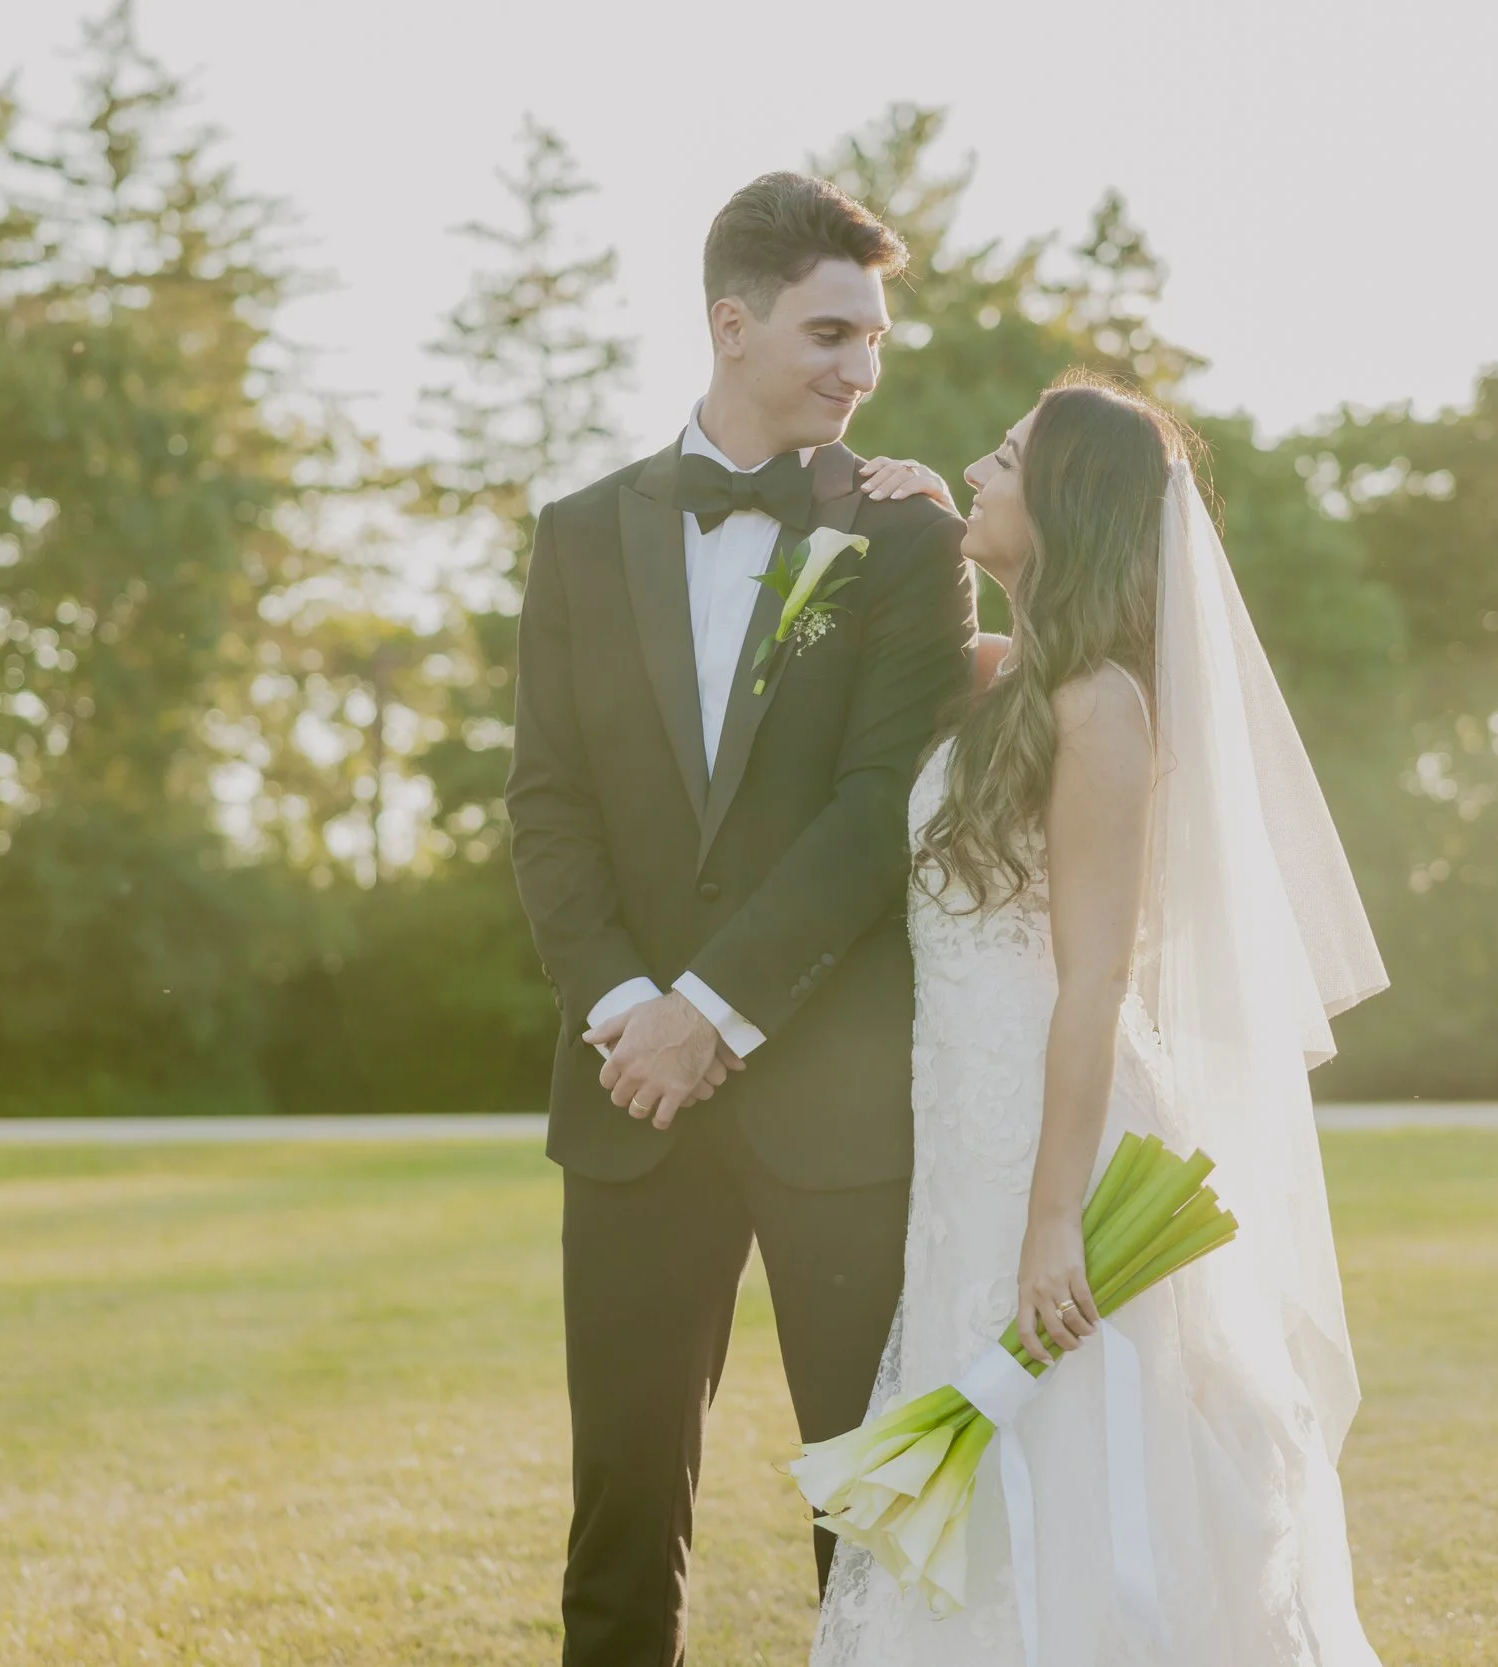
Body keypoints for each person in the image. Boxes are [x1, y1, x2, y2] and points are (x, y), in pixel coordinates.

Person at [815, 376, 1392, 1665]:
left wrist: (1055, 1215)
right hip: (968, 1133)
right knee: (996, 1436)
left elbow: (1093, 980)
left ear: (1065, 505)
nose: (975, 467)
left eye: (1005, 459)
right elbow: (871, 656)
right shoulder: (1013, 679)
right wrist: (897, 518)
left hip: (1052, 1130)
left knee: (1089, 1439)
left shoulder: (1104, 709)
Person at [504, 171, 975, 1667]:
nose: (861, 366)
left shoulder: (906, 539)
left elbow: (872, 809)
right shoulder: (578, 536)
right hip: (628, 1094)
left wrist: (705, 1010)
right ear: (732, 322)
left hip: (839, 1095)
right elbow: (548, 807)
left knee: (882, 1517)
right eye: (832, 331)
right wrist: (626, 1012)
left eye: (876, 341)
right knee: (621, 1522)